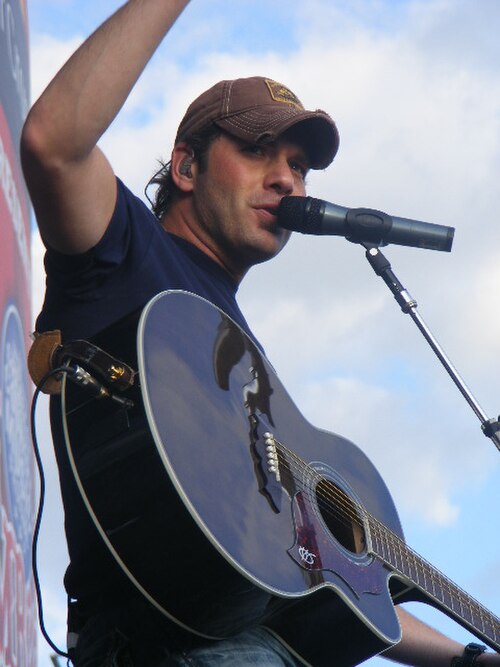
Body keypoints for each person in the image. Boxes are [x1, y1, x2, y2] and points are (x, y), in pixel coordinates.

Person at [21, 2, 499, 666]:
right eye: (256, 149)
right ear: (186, 168)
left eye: (299, 165)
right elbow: (53, 141)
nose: (286, 177)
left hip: (245, 635)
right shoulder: (125, 249)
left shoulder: (247, 361)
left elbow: (321, 582)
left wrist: (471, 656)